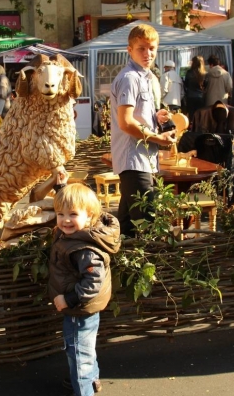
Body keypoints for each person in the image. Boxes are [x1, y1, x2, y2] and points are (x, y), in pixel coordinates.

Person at [48, 174, 121, 396]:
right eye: (60, 214)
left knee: (79, 354)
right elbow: (72, 208)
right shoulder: (82, 233)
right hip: (82, 308)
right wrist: (62, 186)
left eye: (72, 215)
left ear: (89, 217)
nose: (65, 220)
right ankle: (90, 380)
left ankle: (84, 389)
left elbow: (93, 281)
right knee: (84, 349)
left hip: (78, 308)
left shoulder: (84, 249)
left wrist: (68, 299)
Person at [110, 23, 176, 237]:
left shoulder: (145, 78)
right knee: (148, 228)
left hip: (141, 161)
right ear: (129, 50)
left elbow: (135, 117)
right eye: (141, 48)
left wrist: (155, 117)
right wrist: (159, 138)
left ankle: (122, 269)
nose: (148, 53)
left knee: (127, 229)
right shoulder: (130, 78)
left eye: (152, 48)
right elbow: (126, 123)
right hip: (134, 161)